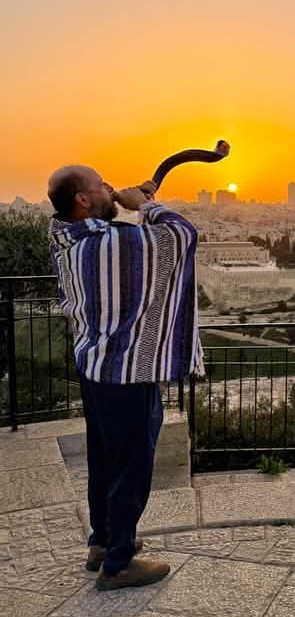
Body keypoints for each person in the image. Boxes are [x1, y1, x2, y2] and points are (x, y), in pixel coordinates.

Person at [47, 165, 204, 591]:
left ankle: (103, 542)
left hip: (96, 367)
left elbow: (121, 238)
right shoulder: (106, 244)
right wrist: (147, 205)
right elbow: (181, 237)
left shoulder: (70, 238)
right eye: (101, 185)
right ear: (82, 199)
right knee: (132, 465)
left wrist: (128, 205)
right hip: (125, 373)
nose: (111, 188)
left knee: (104, 460)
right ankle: (118, 563)